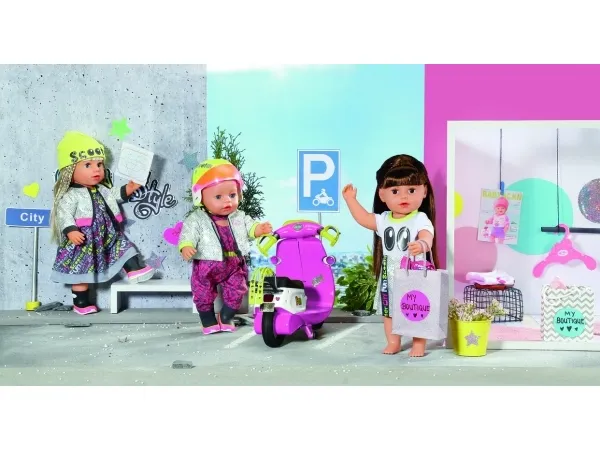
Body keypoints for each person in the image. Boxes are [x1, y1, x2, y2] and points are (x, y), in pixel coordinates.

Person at [342, 154, 438, 357]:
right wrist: (351, 200)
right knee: (389, 311)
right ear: (382, 195)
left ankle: (418, 344)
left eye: (411, 190)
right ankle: (393, 341)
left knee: (416, 307)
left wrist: (422, 244)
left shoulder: (420, 218)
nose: (404, 197)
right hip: (389, 273)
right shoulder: (384, 219)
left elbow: (427, 235)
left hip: (413, 272)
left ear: (424, 191)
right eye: (395, 191)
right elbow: (364, 218)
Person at [50, 131, 155, 315]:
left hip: (108, 234)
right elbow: (63, 213)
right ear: (70, 171)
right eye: (88, 165)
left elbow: (114, 195)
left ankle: (134, 269)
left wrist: (130, 188)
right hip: (84, 240)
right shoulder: (71, 195)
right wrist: (71, 230)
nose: (97, 169)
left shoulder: (102, 189)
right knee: (81, 272)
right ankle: (81, 303)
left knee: (123, 247)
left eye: (99, 164)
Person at [178, 159, 273, 334]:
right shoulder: (197, 219)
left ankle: (226, 315)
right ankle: (207, 319)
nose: (227, 201)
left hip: (233, 263)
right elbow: (188, 233)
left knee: (237, 289)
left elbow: (250, 227)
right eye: (218, 197)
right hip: (206, 264)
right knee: (202, 291)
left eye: (232, 195)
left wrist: (259, 229)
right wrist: (186, 246)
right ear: (199, 196)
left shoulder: (239, 216)